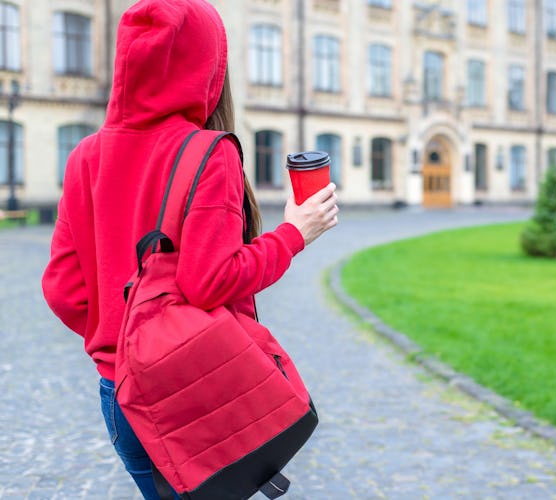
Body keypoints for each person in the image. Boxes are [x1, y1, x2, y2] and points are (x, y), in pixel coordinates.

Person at [40, 1, 338, 498]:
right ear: (209, 65)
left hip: (118, 397)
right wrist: (295, 233)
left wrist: (123, 335)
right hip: (186, 391)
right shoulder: (208, 150)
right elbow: (210, 281)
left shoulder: (85, 155)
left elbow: (63, 291)